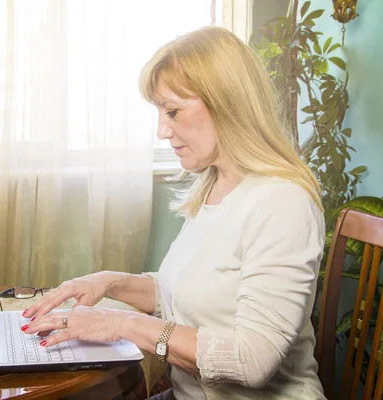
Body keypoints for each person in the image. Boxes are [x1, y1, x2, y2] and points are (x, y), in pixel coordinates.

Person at [21, 26, 326, 400]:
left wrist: (122, 324)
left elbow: (252, 360)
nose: (163, 131)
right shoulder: (213, 184)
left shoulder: (282, 202)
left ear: (226, 102)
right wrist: (108, 282)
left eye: (173, 111)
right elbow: (188, 295)